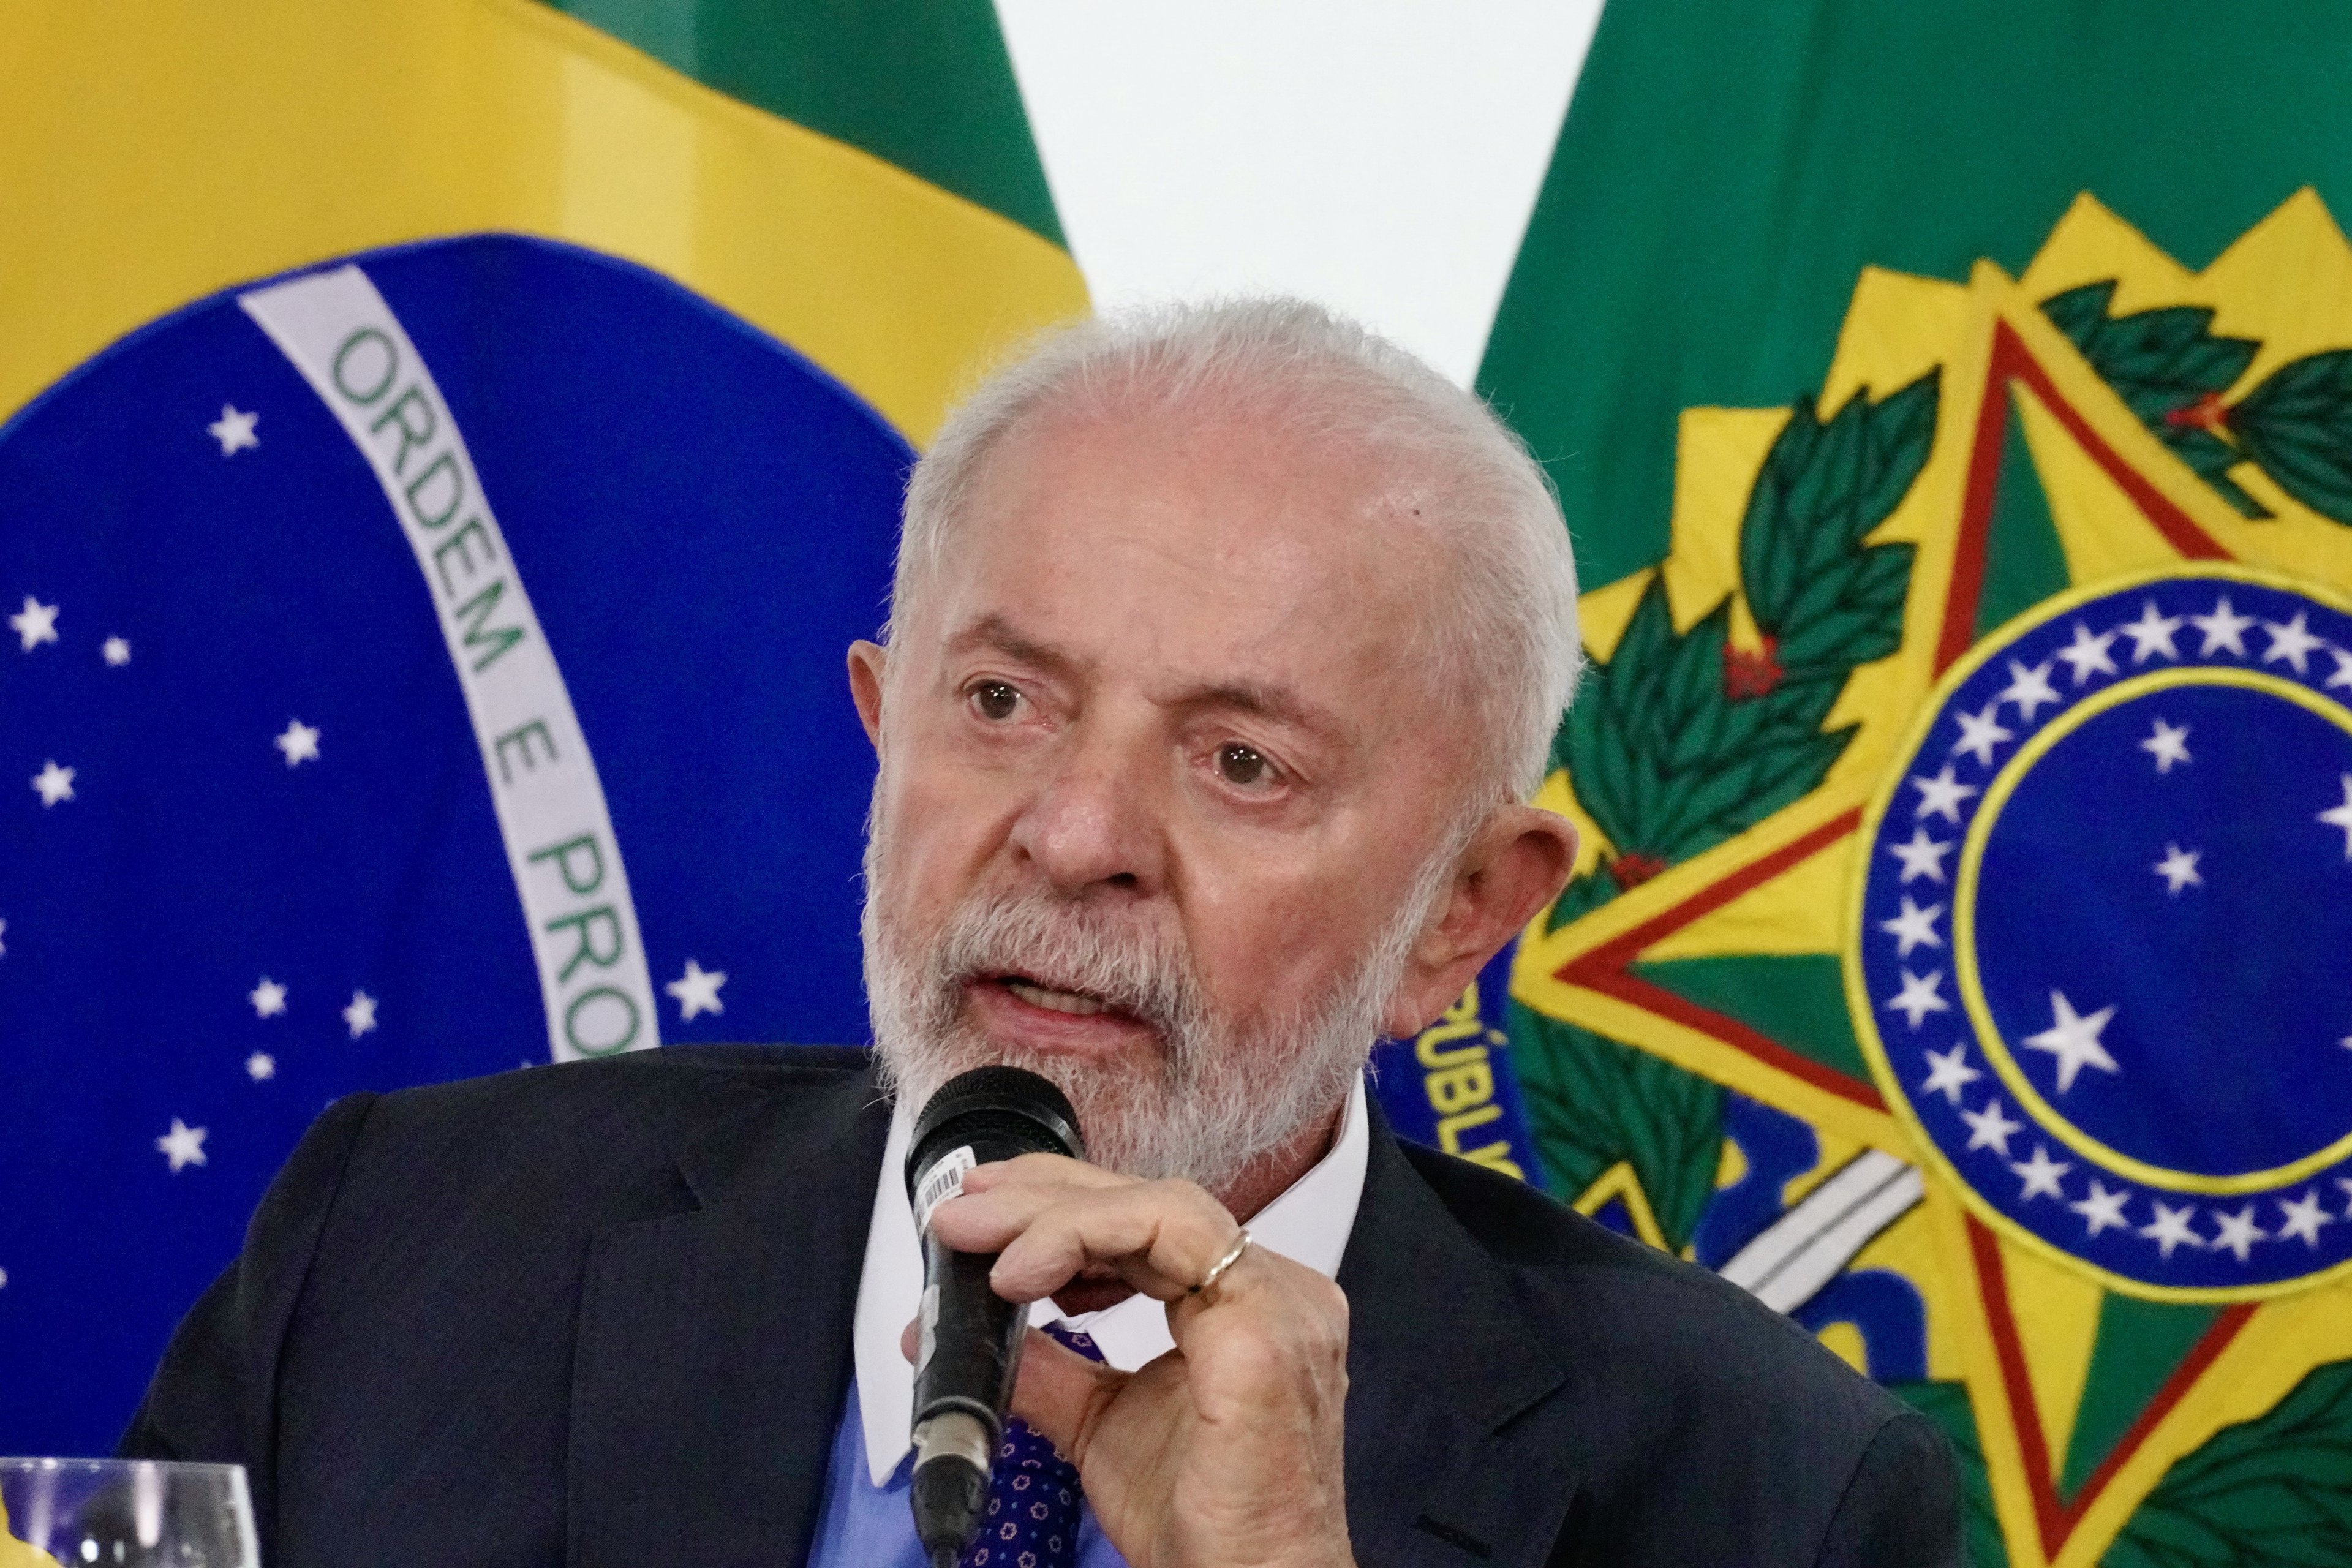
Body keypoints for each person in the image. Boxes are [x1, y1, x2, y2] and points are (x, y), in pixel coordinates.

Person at [122, 300, 1961, 1567]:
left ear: (1459, 917)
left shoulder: (1761, 1489)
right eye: (1001, 703)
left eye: (1243, 762)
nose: (1076, 837)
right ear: (877, 722)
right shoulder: (402, 1247)